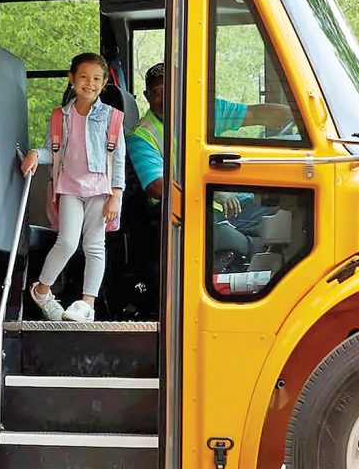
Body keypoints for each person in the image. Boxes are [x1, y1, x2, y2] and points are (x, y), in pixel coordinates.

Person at [127, 63, 290, 253]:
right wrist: (212, 189)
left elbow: (255, 114)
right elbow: (157, 187)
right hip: (186, 212)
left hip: (228, 203)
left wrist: (298, 117)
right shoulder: (141, 135)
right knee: (255, 244)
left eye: (172, 88)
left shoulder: (205, 112)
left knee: (282, 211)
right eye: (157, 91)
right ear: (146, 96)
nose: (166, 97)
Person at [20, 53, 126, 323]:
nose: (89, 84)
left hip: (100, 190)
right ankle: (42, 290)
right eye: (83, 77)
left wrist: (116, 194)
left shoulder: (112, 118)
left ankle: (86, 304)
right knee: (66, 241)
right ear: (71, 79)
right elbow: (50, 151)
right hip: (69, 188)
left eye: (96, 79)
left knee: (94, 246)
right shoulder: (60, 117)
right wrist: (34, 153)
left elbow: (119, 158)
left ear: (103, 85)